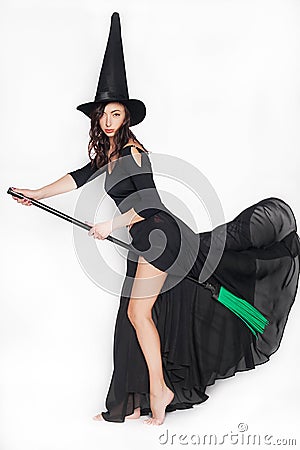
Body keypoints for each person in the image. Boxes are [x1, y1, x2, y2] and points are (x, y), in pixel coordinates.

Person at [11, 13, 300, 426]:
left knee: (137, 314)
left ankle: (159, 389)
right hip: (147, 238)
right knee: (133, 315)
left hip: (158, 233)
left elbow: (148, 202)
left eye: (115, 114)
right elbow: (76, 178)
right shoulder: (107, 157)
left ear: (125, 116)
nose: (108, 121)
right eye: (103, 115)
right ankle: (133, 399)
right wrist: (35, 193)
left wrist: (112, 224)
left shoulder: (132, 151)